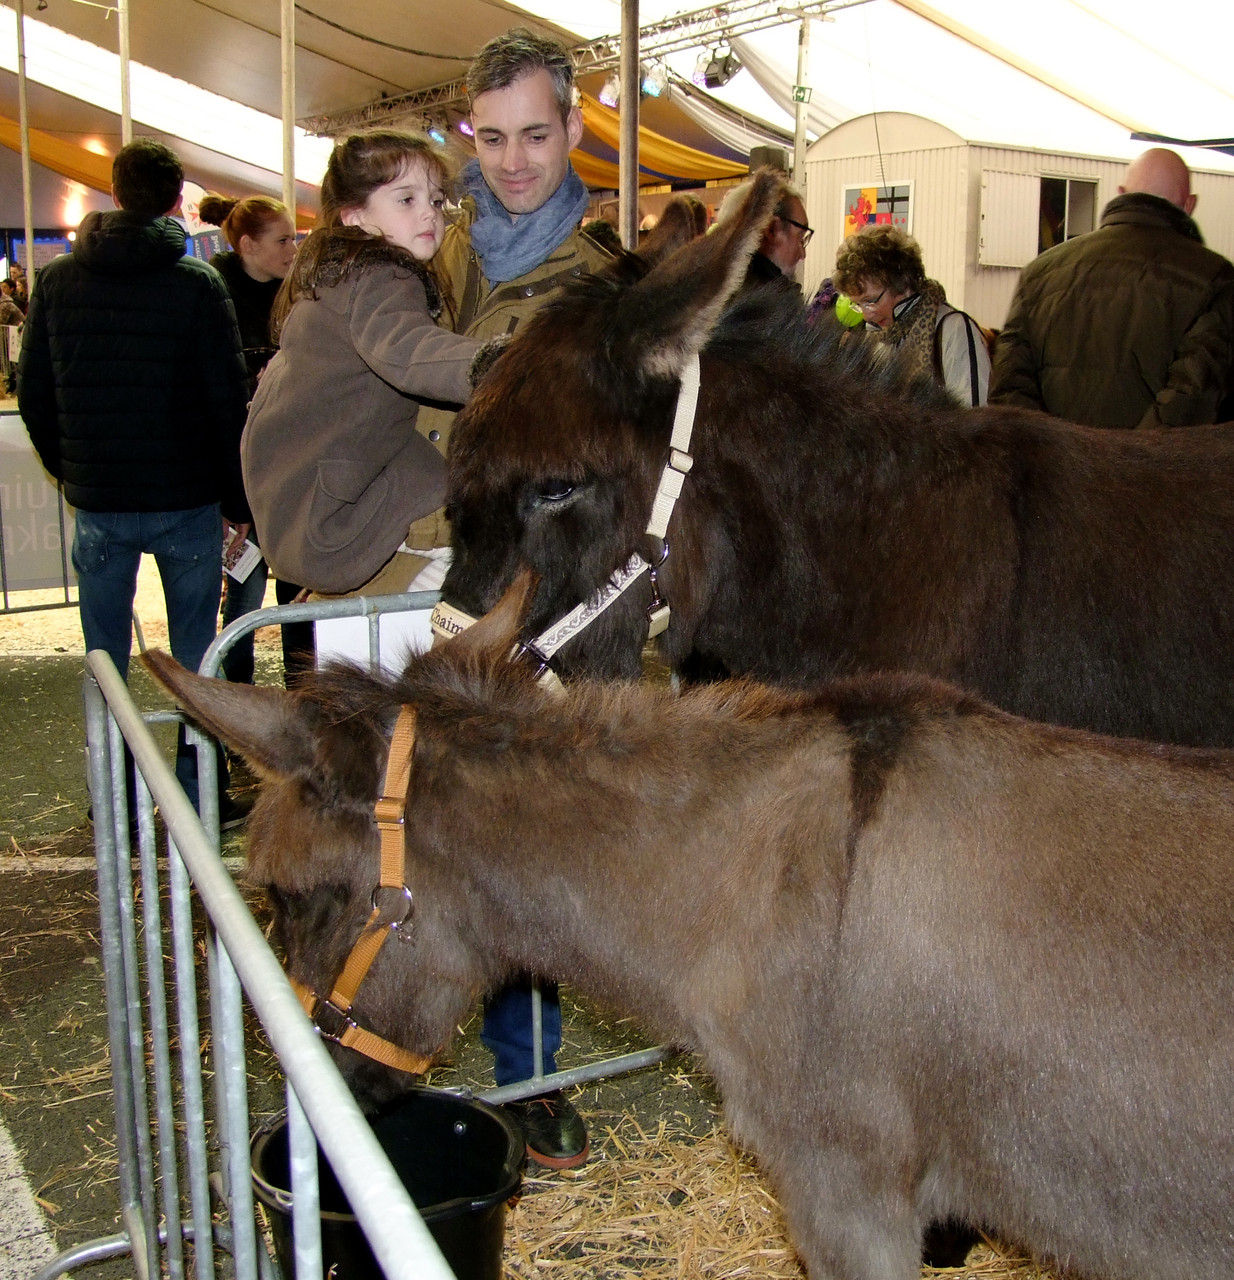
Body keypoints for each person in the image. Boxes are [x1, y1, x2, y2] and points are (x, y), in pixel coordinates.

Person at [420, 26, 616, 1172]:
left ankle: (528, 1077)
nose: (512, 160)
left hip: (538, 609)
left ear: (574, 128)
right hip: (411, 579)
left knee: (515, 844)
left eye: (534, 133)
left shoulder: (600, 289)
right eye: (490, 137)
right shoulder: (429, 257)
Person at [17, 138, 252, 824]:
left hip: (102, 498)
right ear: (176, 198)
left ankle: (111, 793)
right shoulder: (197, 285)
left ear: (115, 192)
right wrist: (235, 500)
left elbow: (34, 393)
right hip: (184, 495)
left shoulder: (59, 282)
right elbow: (224, 398)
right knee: (192, 654)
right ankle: (198, 788)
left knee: (105, 656)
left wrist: (74, 469)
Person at [240, 130, 481, 614]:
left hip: (298, 494)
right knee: (483, 544)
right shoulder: (381, 275)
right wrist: (498, 364)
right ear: (355, 216)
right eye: (406, 199)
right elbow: (406, 350)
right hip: (333, 511)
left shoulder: (332, 275)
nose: (429, 212)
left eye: (435, 199)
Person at [989, 147, 1234, 427]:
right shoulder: (1214, 279)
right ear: (1189, 204)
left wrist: (1055, 461)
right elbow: (1194, 396)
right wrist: (1129, 464)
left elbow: (1009, 389)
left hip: (1055, 466)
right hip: (1152, 469)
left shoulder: (1038, 274)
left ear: (1121, 192)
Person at [197, 193, 313, 687]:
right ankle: (236, 699)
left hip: (292, 468)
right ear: (247, 244)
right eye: (283, 239)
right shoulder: (212, 296)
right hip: (239, 473)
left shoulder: (299, 299)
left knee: (298, 598)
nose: (293, 248)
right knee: (243, 599)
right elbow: (211, 395)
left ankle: (304, 694)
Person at [832, 224, 991, 407]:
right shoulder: (878, 338)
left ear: (902, 282)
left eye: (871, 300)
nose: (867, 315)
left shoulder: (954, 330)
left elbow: (974, 418)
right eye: (858, 305)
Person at [716, 175, 810, 292]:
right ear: (772, 229)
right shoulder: (770, 303)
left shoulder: (710, 292)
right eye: (800, 236)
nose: (803, 254)